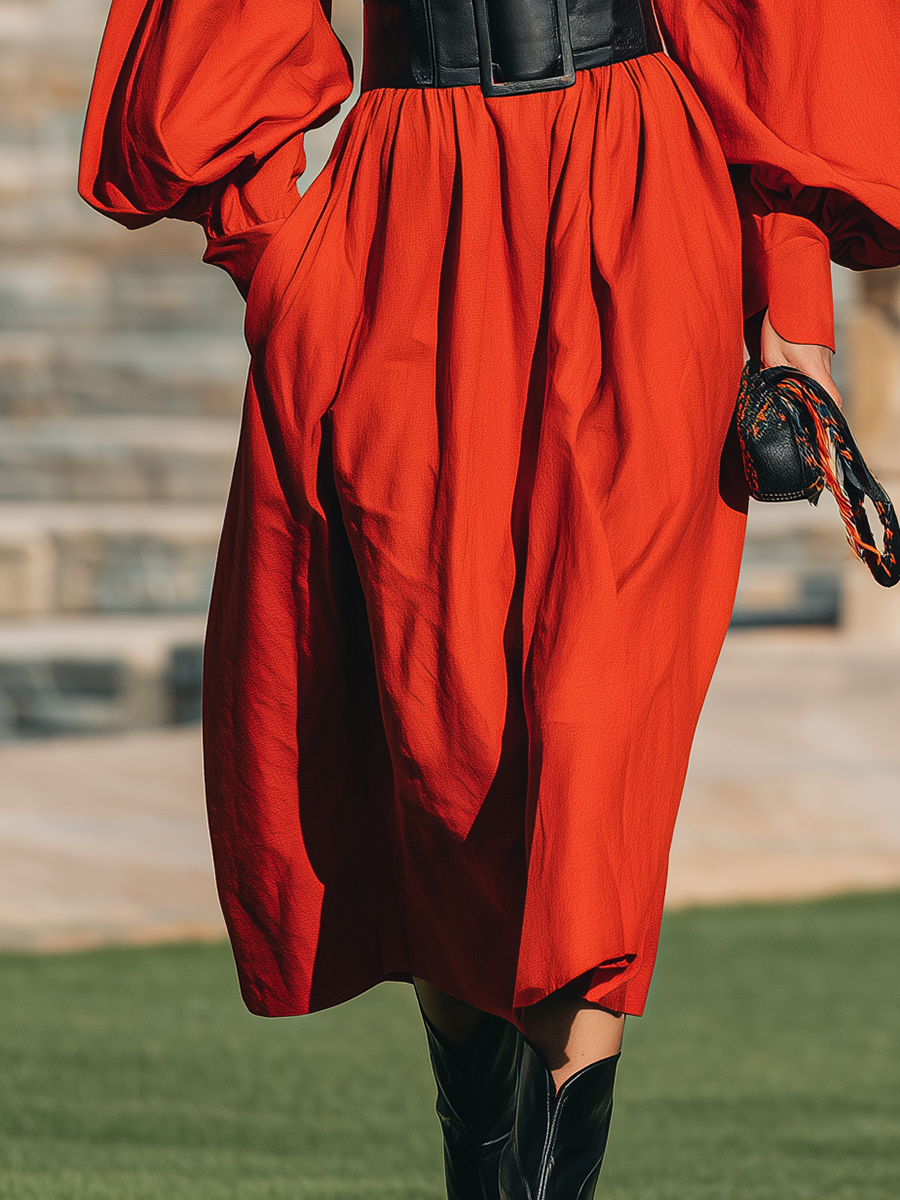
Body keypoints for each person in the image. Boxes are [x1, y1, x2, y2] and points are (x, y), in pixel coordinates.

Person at [79, 0, 900, 1195]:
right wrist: (273, 249)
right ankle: (480, 1158)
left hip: (638, 204)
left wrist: (795, 305)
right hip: (403, 221)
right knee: (445, 747)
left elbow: (779, 23)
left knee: (591, 732)